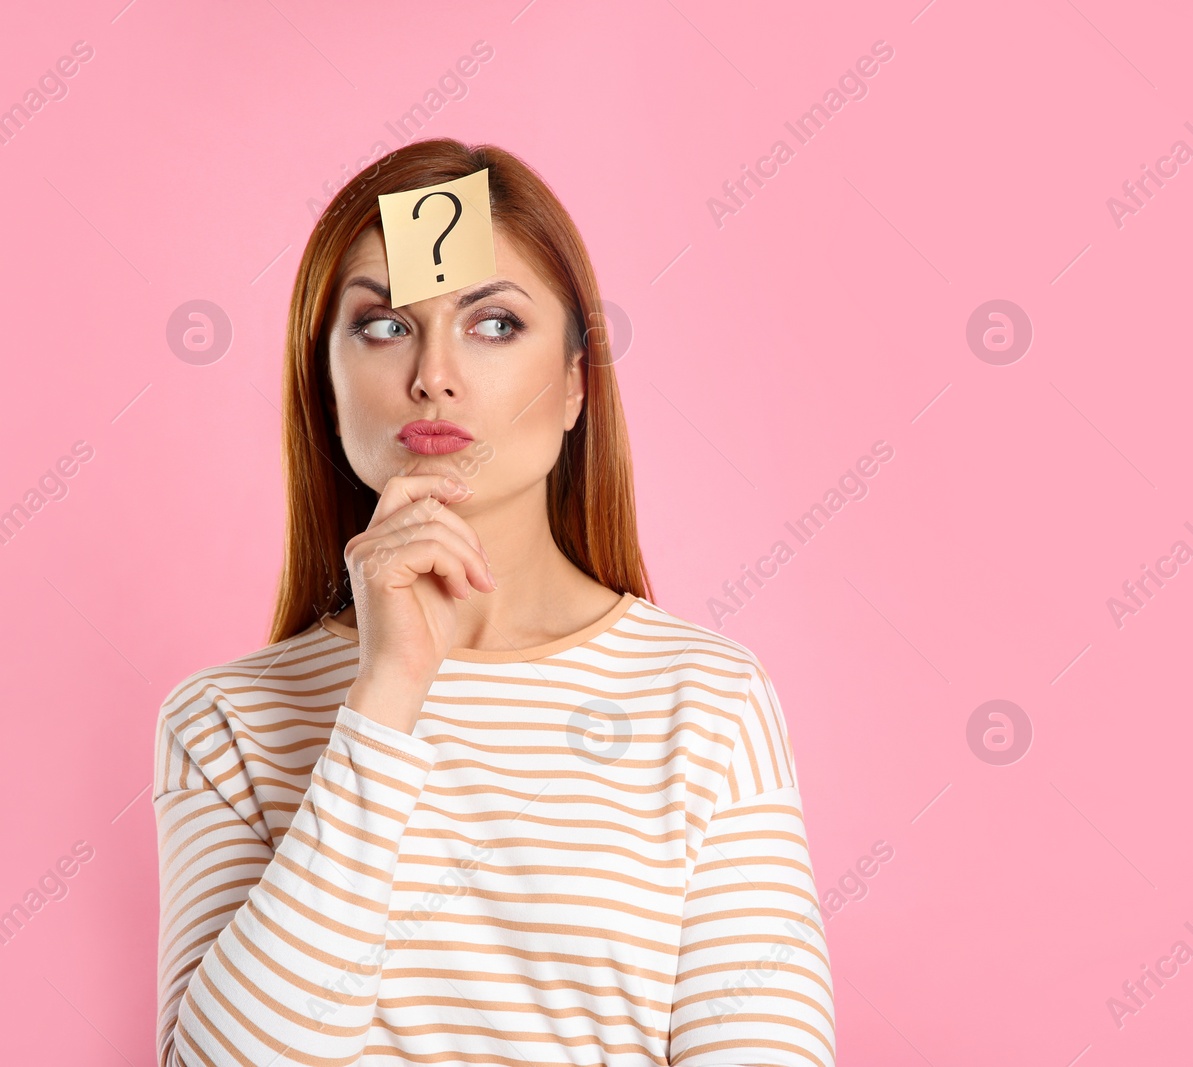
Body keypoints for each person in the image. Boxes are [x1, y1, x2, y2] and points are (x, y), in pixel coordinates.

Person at [152, 138, 834, 1067]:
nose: (434, 374)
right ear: (325, 379)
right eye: (385, 325)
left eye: (495, 324)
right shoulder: (224, 723)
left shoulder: (708, 702)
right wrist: (386, 693)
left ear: (573, 386)